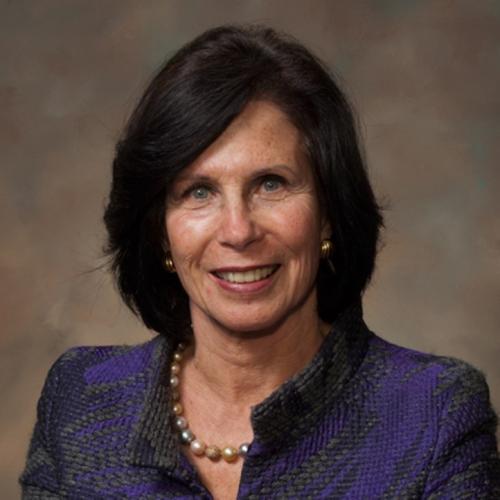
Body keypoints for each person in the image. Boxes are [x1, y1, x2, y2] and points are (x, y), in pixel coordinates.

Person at [20, 24, 499, 499]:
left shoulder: (434, 415)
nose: (238, 231)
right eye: (199, 191)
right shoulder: (80, 401)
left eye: (271, 184)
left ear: (328, 214)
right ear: (160, 230)